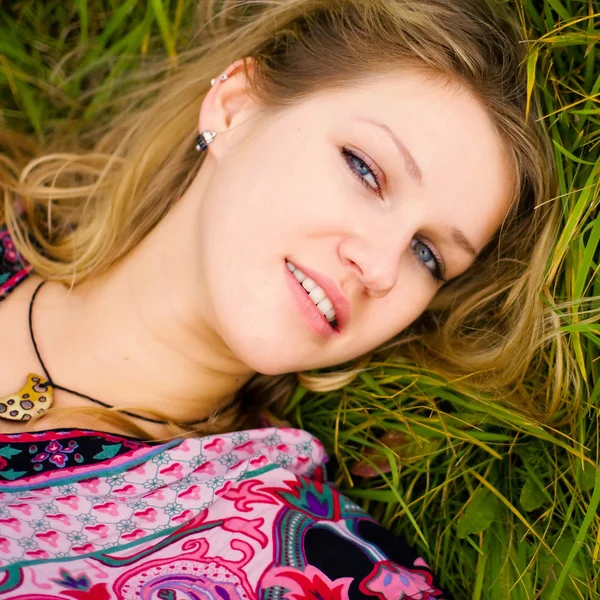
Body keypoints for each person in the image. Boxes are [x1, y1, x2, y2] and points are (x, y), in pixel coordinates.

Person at [0, 0, 561, 597]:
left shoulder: (303, 561)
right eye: (366, 170)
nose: (378, 268)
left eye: (426, 255)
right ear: (236, 106)